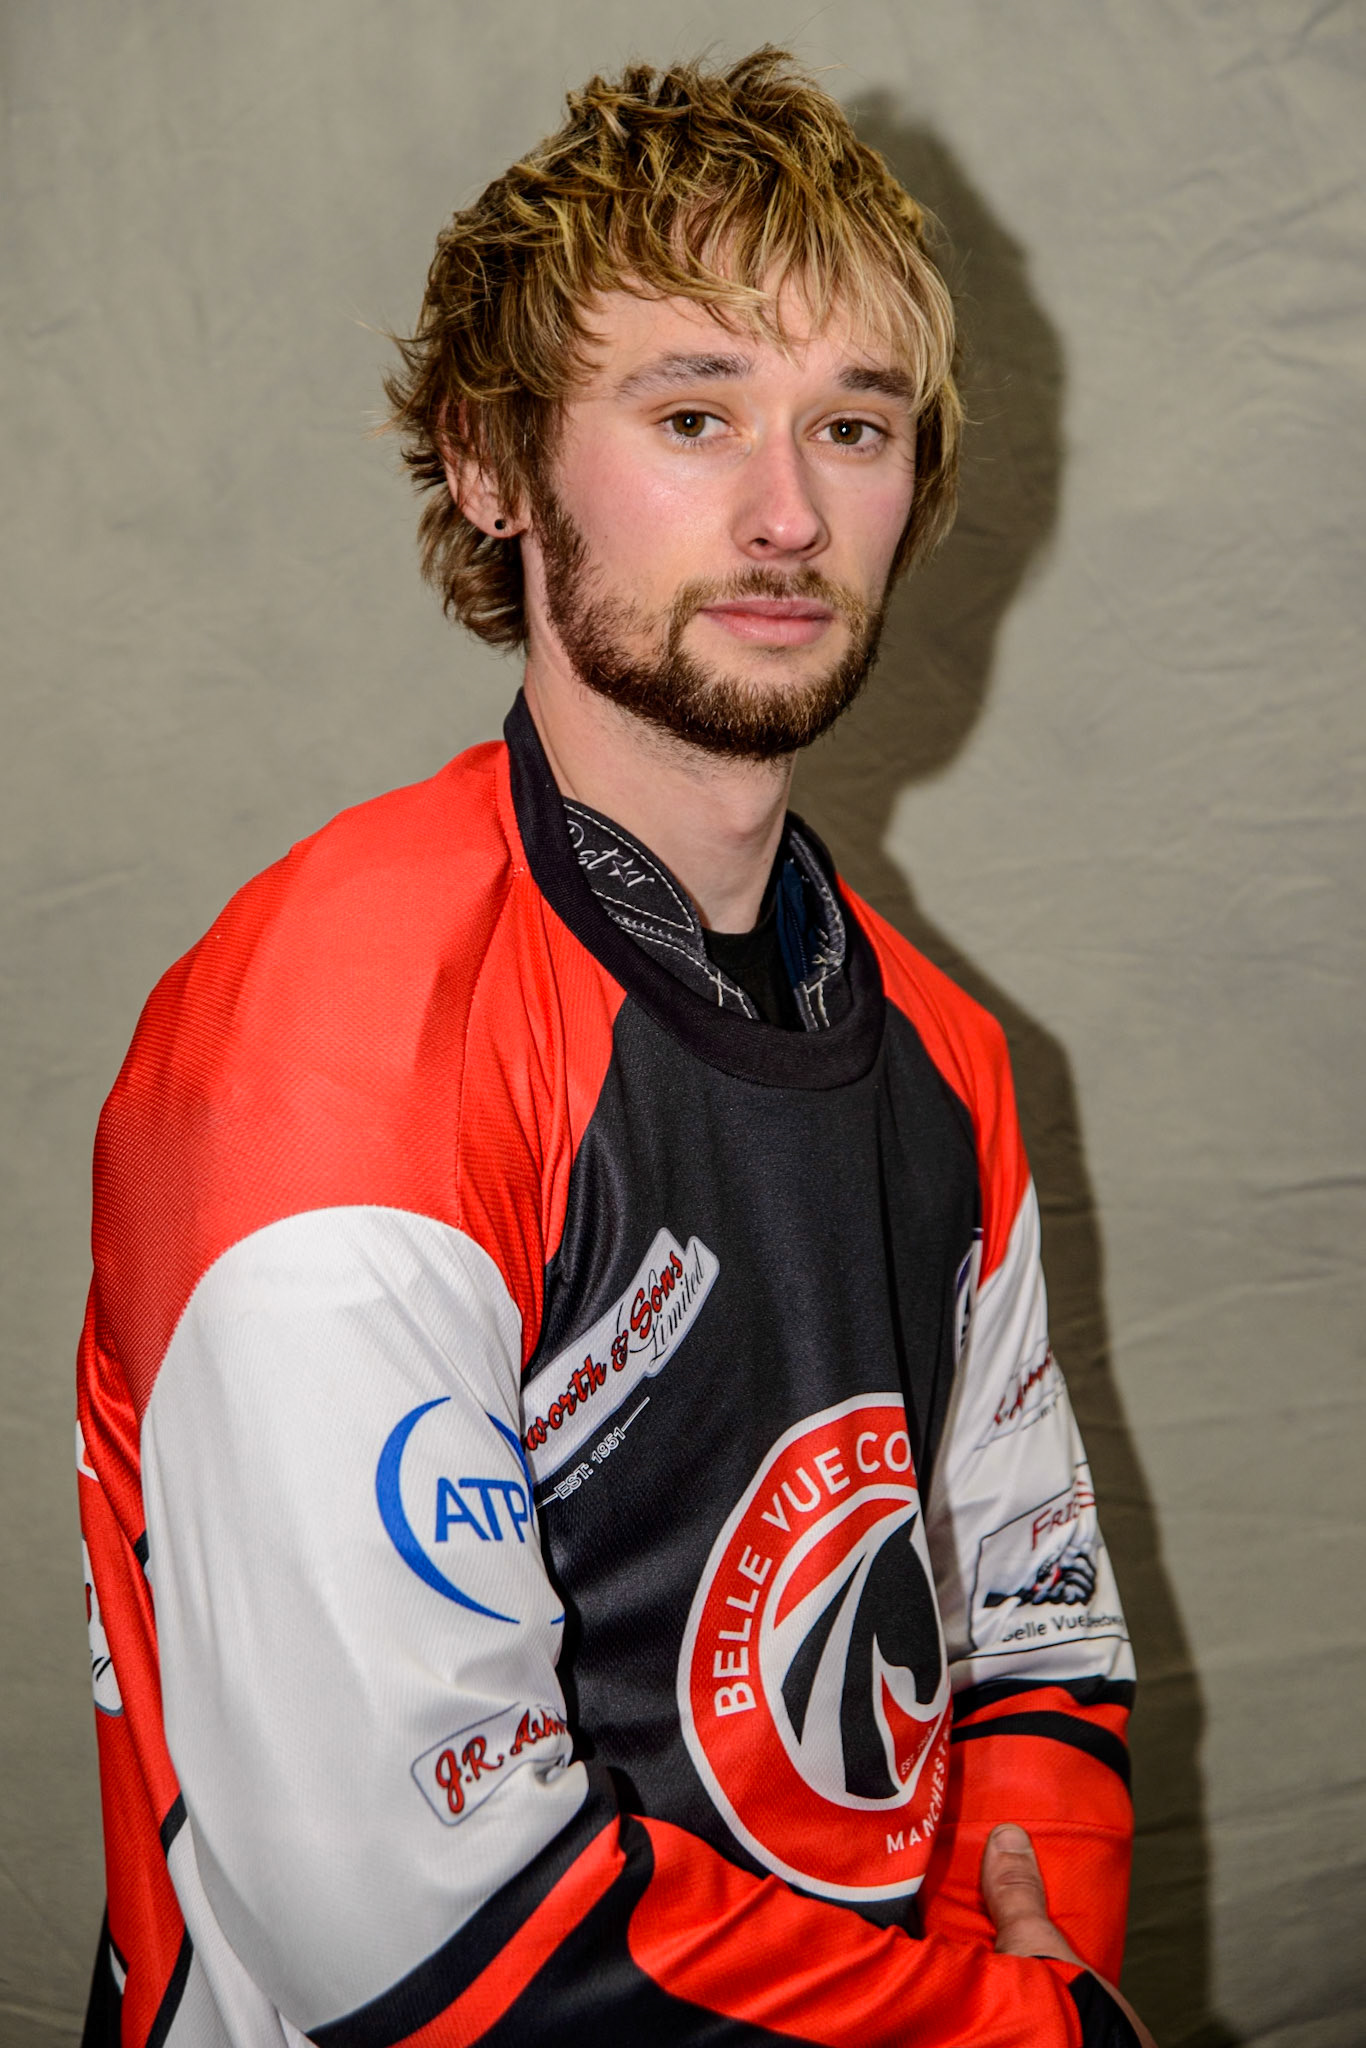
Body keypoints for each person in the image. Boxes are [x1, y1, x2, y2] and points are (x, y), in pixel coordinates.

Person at [76, 49, 1154, 2048]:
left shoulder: (944, 1055)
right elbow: (428, 1945)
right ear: (491, 460)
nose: (781, 510)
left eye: (851, 425)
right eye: (690, 415)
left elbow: (1028, 1623)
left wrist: (1022, 1960)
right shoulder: (320, 1061)